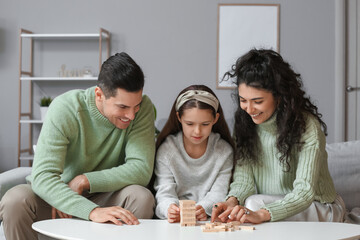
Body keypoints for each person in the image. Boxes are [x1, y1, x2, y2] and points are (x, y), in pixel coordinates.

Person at [0, 52, 156, 240]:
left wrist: (85, 180)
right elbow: (43, 176)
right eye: (122, 107)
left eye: (136, 106)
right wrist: (90, 211)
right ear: (99, 94)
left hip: (106, 196)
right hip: (59, 195)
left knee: (141, 197)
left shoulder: (144, 109)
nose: (131, 116)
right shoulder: (66, 108)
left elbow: (141, 169)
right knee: (14, 200)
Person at [211, 49, 346, 224]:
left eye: (258, 101)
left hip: (320, 207)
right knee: (245, 209)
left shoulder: (307, 126)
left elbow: (304, 192)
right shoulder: (245, 125)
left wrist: (261, 213)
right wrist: (231, 201)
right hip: (270, 205)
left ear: (280, 97)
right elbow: (244, 181)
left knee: (252, 205)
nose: (249, 109)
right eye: (243, 100)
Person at [154, 85, 234, 223]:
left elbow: (219, 192)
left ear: (215, 119)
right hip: (173, 223)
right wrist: (170, 209)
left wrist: (203, 208)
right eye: (190, 124)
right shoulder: (167, 150)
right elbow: (164, 192)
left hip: (210, 220)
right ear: (179, 117)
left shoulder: (224, 151)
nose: (197, 131)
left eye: (205, 124)